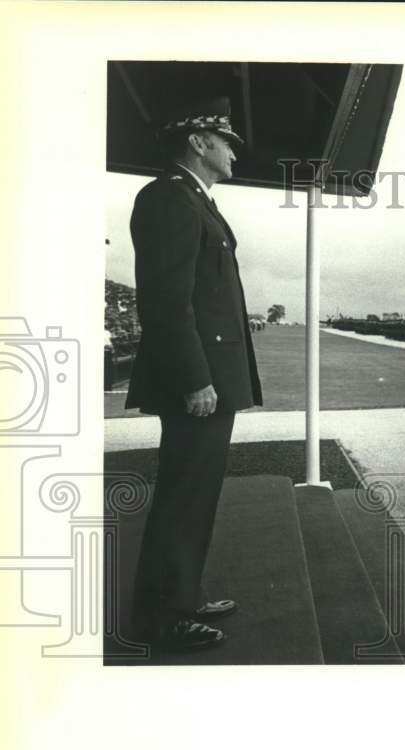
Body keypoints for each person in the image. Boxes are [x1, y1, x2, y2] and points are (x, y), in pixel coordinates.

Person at [125, 97, 262, 652]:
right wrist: (194, 378)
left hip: (208, 375)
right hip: (197, 380)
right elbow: (167, 302)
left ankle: (183, 593)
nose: (233, 152)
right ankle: (163, 617)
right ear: (199, 142)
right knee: (184, 495)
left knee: (196, 493)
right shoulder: (168, 200)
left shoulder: (194, 201)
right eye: (226, 141)